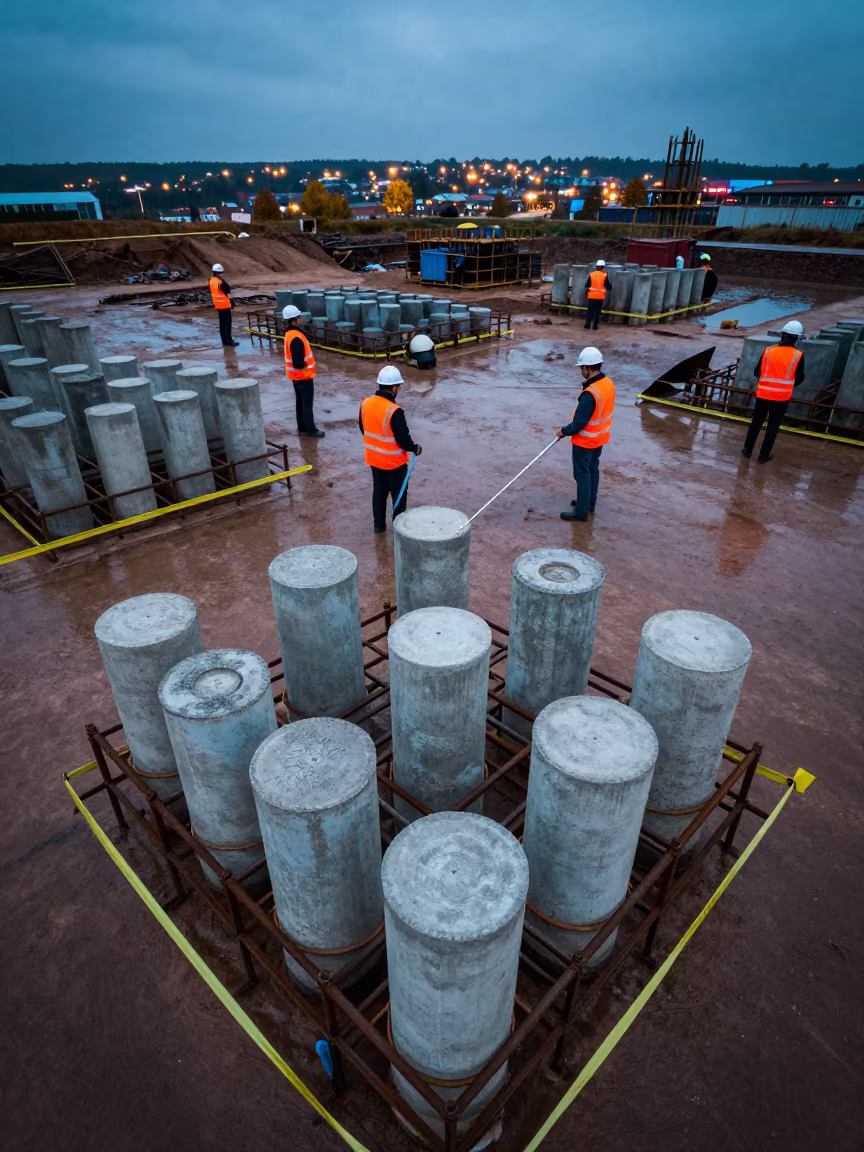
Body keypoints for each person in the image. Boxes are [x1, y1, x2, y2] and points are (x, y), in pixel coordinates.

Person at [359, 364, 422, 534]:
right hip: (394, 464)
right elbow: (403, 440)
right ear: (394, 387)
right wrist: (414, 448)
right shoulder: (394, 411)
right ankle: (398, 531)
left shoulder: (366, 404)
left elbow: (363, 428)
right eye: (399, 387)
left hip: (374, 461)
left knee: (378, 494)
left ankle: (378, 526)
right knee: (399, 498)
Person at [556, 346, 615, 521]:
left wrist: (562, 431)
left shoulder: (590, 393)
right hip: (599, 439)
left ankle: (581, 512)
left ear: (588, 368)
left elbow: (578, 424)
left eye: (582, 368)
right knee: (592, 471)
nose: (581, 371)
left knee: (581, 474)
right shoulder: (608, 384)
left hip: (585, 442)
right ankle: (588, 503)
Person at [741, 320, 805, 463]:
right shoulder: (798, 356)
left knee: (756, 422)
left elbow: (757, 371)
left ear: (782, 335)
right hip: (781, 398)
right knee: (773, 426)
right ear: (796, 338)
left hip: (763, 394)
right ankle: (763, 456)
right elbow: (800, 379)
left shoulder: (768, 351)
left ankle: (747, 450)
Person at [282, 305, 324, 439]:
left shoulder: (289, 334)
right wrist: (307, 365)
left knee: (300, 402)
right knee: (306, 404)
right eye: (299, 317)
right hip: (303, 376)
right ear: (295, 319)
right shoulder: (296, 337)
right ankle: (311, 430)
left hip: (295, 377)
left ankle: (301, 427)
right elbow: (298, 362)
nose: (301, 319)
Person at [209, 263, 238, 347]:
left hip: (217, 305)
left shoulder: (211, 281)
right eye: (221, 273)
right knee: (227, 323)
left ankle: (224, 341)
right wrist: (232, 302)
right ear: (218, 273)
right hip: (225, 305)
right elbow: (227, 291)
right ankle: (229, 341)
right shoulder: (221, 282)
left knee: (222, 323)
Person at [584, 260, 611, 331]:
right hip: (600, 297)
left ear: (596, 267)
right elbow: (608, 286)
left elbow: (587, 285)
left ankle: (587, 325)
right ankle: (595, 326)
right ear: (603, 267)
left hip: (591, 296)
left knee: (590, 311)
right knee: (597, 312)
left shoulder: (591, 274)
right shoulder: (605, 275)